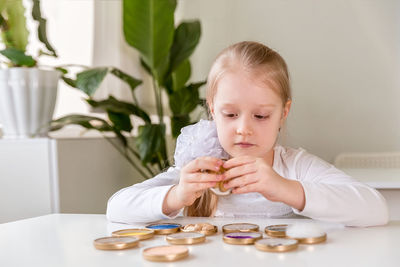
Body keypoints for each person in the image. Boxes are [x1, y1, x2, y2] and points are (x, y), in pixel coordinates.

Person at [106, 41, 388, 227]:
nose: (243, 128)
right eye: (230, 114)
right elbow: (116, 208)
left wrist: (284, 188)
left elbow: (376, 209)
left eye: (261, 115)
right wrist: (177, 195)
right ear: (212, 110)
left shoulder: (294, 167)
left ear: (283, 113)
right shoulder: (201, 166)